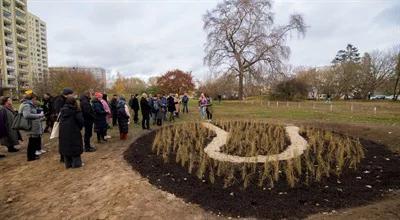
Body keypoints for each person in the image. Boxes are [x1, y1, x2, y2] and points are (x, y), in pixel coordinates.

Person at [59, 96, 84, 168]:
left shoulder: (62, 110)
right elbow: (81, 121)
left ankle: (68, 164)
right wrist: (79, 127)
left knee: (66, 146)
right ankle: (76, 164)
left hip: (63, 131)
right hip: (74, 130)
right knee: (75, 145)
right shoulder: (75, 110)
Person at [20, 92, 45, 161]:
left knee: (33, 141)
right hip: (31, 126)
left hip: (33, 125)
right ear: (32, 98)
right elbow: (26, 115)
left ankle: (33, 155)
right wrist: (39, 115)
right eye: (35, 99)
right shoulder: (27, 105)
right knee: (32, 141)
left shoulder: (29, 105)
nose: (36, 100)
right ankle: (30, 157)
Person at [53, 88, 74, 162]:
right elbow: (59, 111)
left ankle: (65, 156)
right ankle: (63, 157)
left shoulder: (62, 99)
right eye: (71, 94)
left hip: (65, 122)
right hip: (63, 123)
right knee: (63, 140)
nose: (72, 95)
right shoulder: (60, 100)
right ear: (68, 94)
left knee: (65, 140)